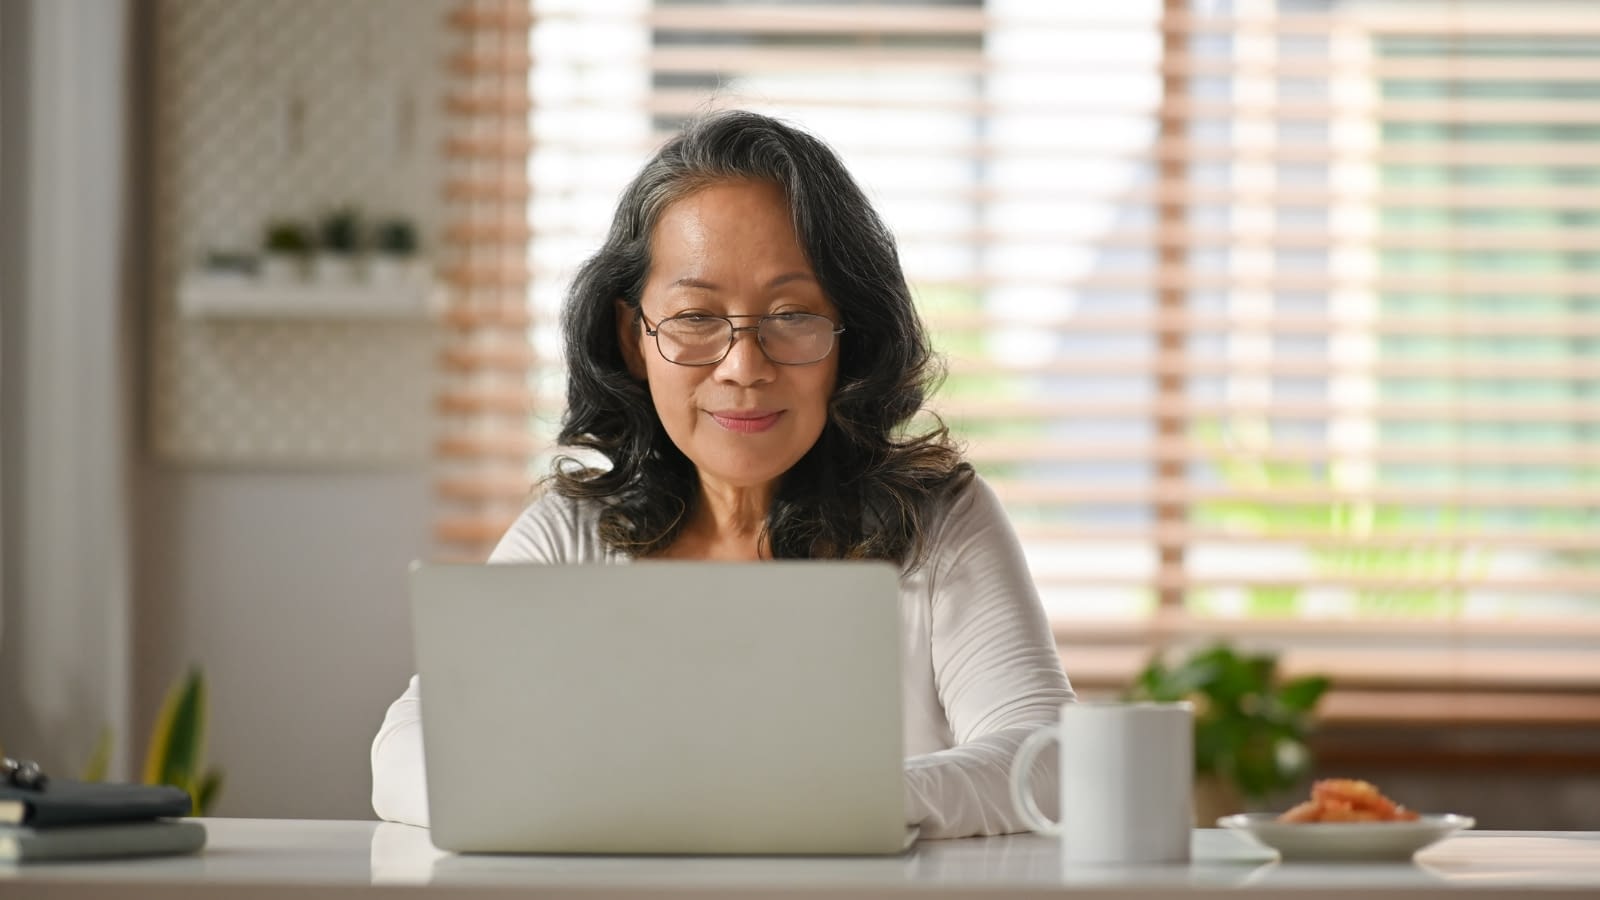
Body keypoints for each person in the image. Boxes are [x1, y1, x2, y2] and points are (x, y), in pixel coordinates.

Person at [372, 110, 1075, 839]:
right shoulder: (570, 535)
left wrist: (839, 798)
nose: (745, 367)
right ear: (632, 337)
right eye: (695, 317)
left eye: (793, 313)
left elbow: (1047, 764)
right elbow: (402, 755)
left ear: (849, 336)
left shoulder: (939, 523)